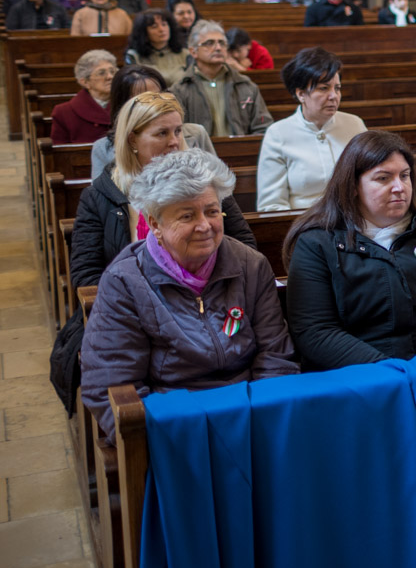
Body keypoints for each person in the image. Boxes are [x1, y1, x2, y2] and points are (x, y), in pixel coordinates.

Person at [79, 149, 296, 441]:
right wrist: (159, 441)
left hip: (250, 412)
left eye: (212, 211)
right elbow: (111, 385)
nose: (205, 226)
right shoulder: (125, 282)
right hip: (175, 424)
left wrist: (267, 421)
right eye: (187, 216)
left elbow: (276, 356)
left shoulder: (249, 264)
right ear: (155, 224)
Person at [281, 131, 416, 369]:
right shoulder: (317, 241)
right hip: (362, 375)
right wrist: (391, 374)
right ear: (352, 186)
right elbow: (315, 330)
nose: (399, 187)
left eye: (405, 176)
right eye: (383, 178)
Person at [70, 92, 255, 290]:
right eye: (162, 133)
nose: (174, 141)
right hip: (131, 300)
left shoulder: (205, 182)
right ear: (132, 140)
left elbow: (245, 246)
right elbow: (85, 274)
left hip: (207, 294)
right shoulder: (99, 196)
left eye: (178, 131)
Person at [256, 48, 367, 212]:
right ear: (301, 94)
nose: (333, 96)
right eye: (324, 88)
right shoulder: (278, 134)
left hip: (354, 218)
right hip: (303, 222)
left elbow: (372, 183)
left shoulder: (355, 124)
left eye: (337, 88)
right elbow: (271, 205)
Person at [90, 65, 215, 179]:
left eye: (158, 95)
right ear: (124, 105)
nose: (155, 104)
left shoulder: (197, 133)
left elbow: (217, 182)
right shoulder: (103, 148)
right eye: (143, 100)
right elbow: (101, 194)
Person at [170, 20, 274, 137]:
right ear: (193, 51)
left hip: (241, 148)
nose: (218, 48)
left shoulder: (246, 85)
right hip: (198, 149)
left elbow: (263, 127)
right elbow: (176, 133)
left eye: (222, 43)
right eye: (209, 43)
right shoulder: (179, 90)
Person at [51, 50, 118, 146]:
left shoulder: (127, 103)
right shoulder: (63, 112)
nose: (110, 76)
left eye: (113, 71)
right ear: (85, 82)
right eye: (101, 73)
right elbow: (60, 150)